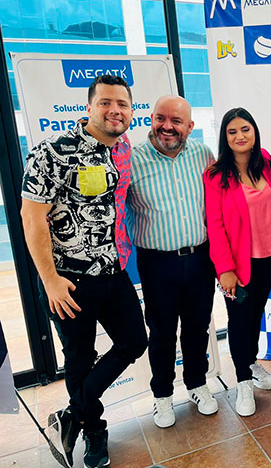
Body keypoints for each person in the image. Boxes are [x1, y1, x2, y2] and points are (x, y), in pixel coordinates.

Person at [20, 75, 148, 468]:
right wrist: (50, 281)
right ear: (89, 107)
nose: (115, 111)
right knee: (79, 357)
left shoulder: (121, 149)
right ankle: (93, 430)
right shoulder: (52, 152)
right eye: (106, 102)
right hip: (68, 281)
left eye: (122, 104)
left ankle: (72, 414)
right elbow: (31, 218)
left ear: (131, 111)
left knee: (134, 342)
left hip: (113, 272)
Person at [127, 95, 218, 429]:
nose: (167, 127)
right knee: (162, 332)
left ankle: (197, 384)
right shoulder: (132, 160)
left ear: (189, 127)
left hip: (200, 259)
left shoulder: (203, 155)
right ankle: (162, 395)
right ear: (151, 119)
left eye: (176, 121)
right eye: (161, 118)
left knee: (197, 327)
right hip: (157, 264)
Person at [203, 108, 271, 417]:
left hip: (267, 258)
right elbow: (215, 225)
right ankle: (243, 382)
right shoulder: (216, 175)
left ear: (254, 131)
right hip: (236, 265)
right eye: (232, 131)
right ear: (224, 137)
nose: (239, 136)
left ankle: (250, 362)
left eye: (245, 129)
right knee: (238, 320)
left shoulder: (266, 162)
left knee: (255, 314)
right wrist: (224, 269)